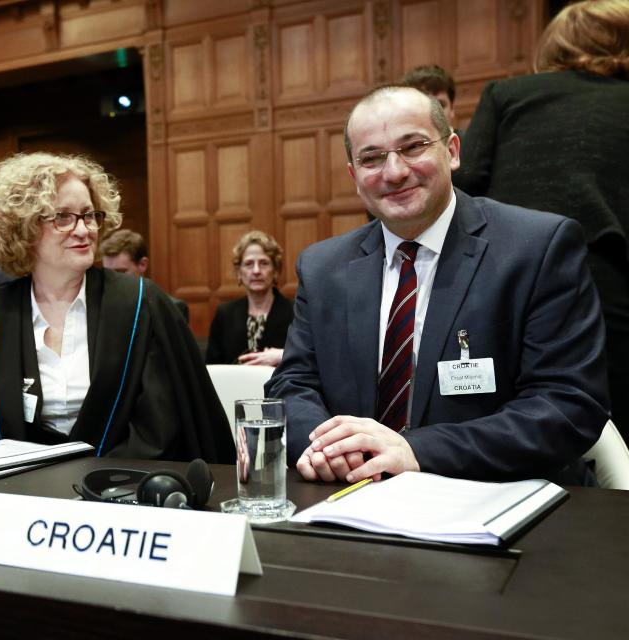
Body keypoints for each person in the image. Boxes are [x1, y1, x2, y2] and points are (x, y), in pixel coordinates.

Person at [266, 85, 609, 485]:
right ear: (354, 176)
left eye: (413, 147)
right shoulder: (324, 267)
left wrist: (415, 450)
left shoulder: (537, 248)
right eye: (372, 158)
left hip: (501, 499)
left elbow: (567, 404)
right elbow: (292, 385)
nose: (393, 172)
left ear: (452, 150)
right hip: (357, 500)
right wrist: (333, 447)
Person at [0, 152, 234, 464]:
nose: (83, 230)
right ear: (24, 229)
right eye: (63, 217)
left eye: (89, 215)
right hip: (15, 494)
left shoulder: (141, 305)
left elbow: (162, 425)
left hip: (122, 488)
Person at [454, 0, 629, 441]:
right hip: (609, 278)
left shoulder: (507, 95)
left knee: (509, 418)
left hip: (505, 276)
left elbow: (465, 184)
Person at [206, 231, 293, 367]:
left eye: (264, 263)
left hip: (279, 387)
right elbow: (212, 366)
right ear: (239, 273)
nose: (256, 271)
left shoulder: (295, 312)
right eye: (249, 264)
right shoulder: (225, 314)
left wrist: (283, 355)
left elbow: (311, 357)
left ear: (276, 270)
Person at [99, 228, 190, 322]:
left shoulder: (172, 308)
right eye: (108, 273)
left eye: (121, 272)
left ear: (143, 265)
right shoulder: (98, 308)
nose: (113, 279)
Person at [402, 63, 459, 133]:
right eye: (421, 105)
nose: (433, 115)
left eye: (440, 105)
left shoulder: (471, 142)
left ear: (452, 109)